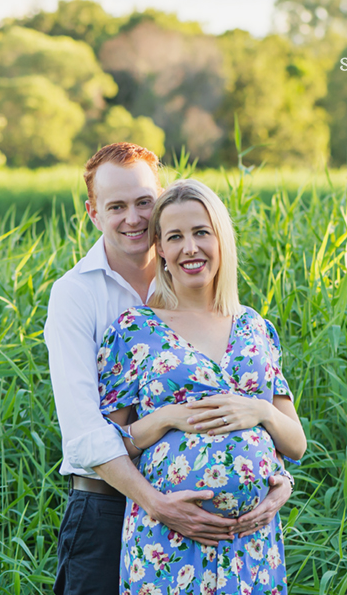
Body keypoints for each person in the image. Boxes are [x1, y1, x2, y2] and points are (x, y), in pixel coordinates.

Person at [45, 146, 294, 595]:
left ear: (159, 202)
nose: (133, 218)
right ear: (94, 213)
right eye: (116, 206)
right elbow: (84, 434)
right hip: (109, 506)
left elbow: (269, 417)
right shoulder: (76, 295)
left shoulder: (201, 284)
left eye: (143, 202)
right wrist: (158, 505)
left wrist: (277, 481)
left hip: (237, 536)